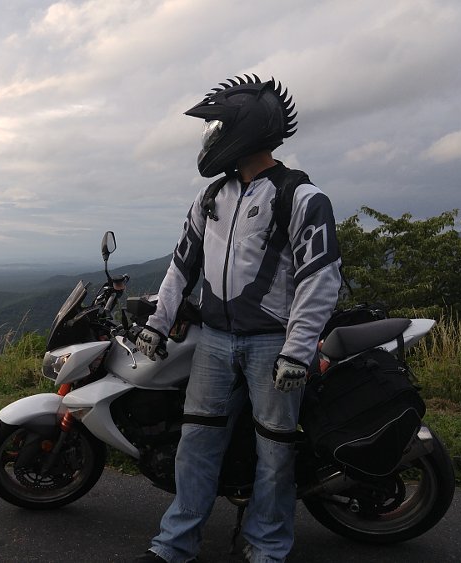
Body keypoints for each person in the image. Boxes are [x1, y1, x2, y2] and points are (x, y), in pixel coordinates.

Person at [133, 75, 342, 563]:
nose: (213, 136)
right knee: (197, 445)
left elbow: (320, 277)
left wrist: (298, 349)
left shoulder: (301, 197)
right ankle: (174, 545)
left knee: (275, 453)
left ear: (247, 129)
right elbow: (180, 266)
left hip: (273, 345)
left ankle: (267, 547)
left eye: (221, 125)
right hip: (214, 340)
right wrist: (156, 324)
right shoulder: (211, 199)